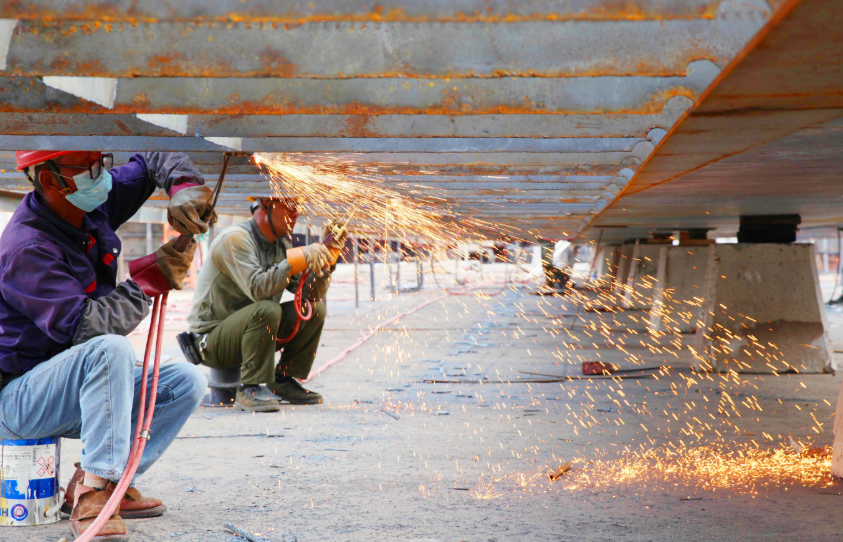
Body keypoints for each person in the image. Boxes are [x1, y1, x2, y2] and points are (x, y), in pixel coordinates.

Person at [0, 151, 213, 541]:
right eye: (90, 166)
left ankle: (113, 480)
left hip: (74, 386)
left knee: (186, 380)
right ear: (51, 181)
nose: (103, 174)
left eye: (102, 160)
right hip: (20, 400)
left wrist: (185, 188)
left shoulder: (85, 203)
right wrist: (149, 282)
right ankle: (92, 494)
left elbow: (152, 160)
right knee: (109, 349)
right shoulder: (28, 248)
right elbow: (87, 329)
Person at [185, 197, 345, 411]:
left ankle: (282, 381)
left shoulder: (279, 246)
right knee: (268, 308)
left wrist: (327, 262)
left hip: (250, 334)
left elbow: (309, 294)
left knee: (313, 309)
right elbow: (257, 289)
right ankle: (249, 388)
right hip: (211, 342)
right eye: (289, 206)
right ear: (266, 205)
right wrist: (300, 257)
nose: (296, 213)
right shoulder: (236, 239)